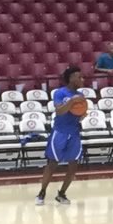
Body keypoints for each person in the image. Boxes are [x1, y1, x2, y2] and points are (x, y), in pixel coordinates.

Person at [37, 64, 84, 205]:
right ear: (70, 78)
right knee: (52, 163)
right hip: (60, 132)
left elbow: (78, 114)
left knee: (74, 165)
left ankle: (62, 193)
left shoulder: (81, 95)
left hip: (74, 132)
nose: (82, 79)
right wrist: (71, 102)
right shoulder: (60, 93)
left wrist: (82, 115)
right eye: (79, 77)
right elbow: (59, 111)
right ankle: (42, 192)